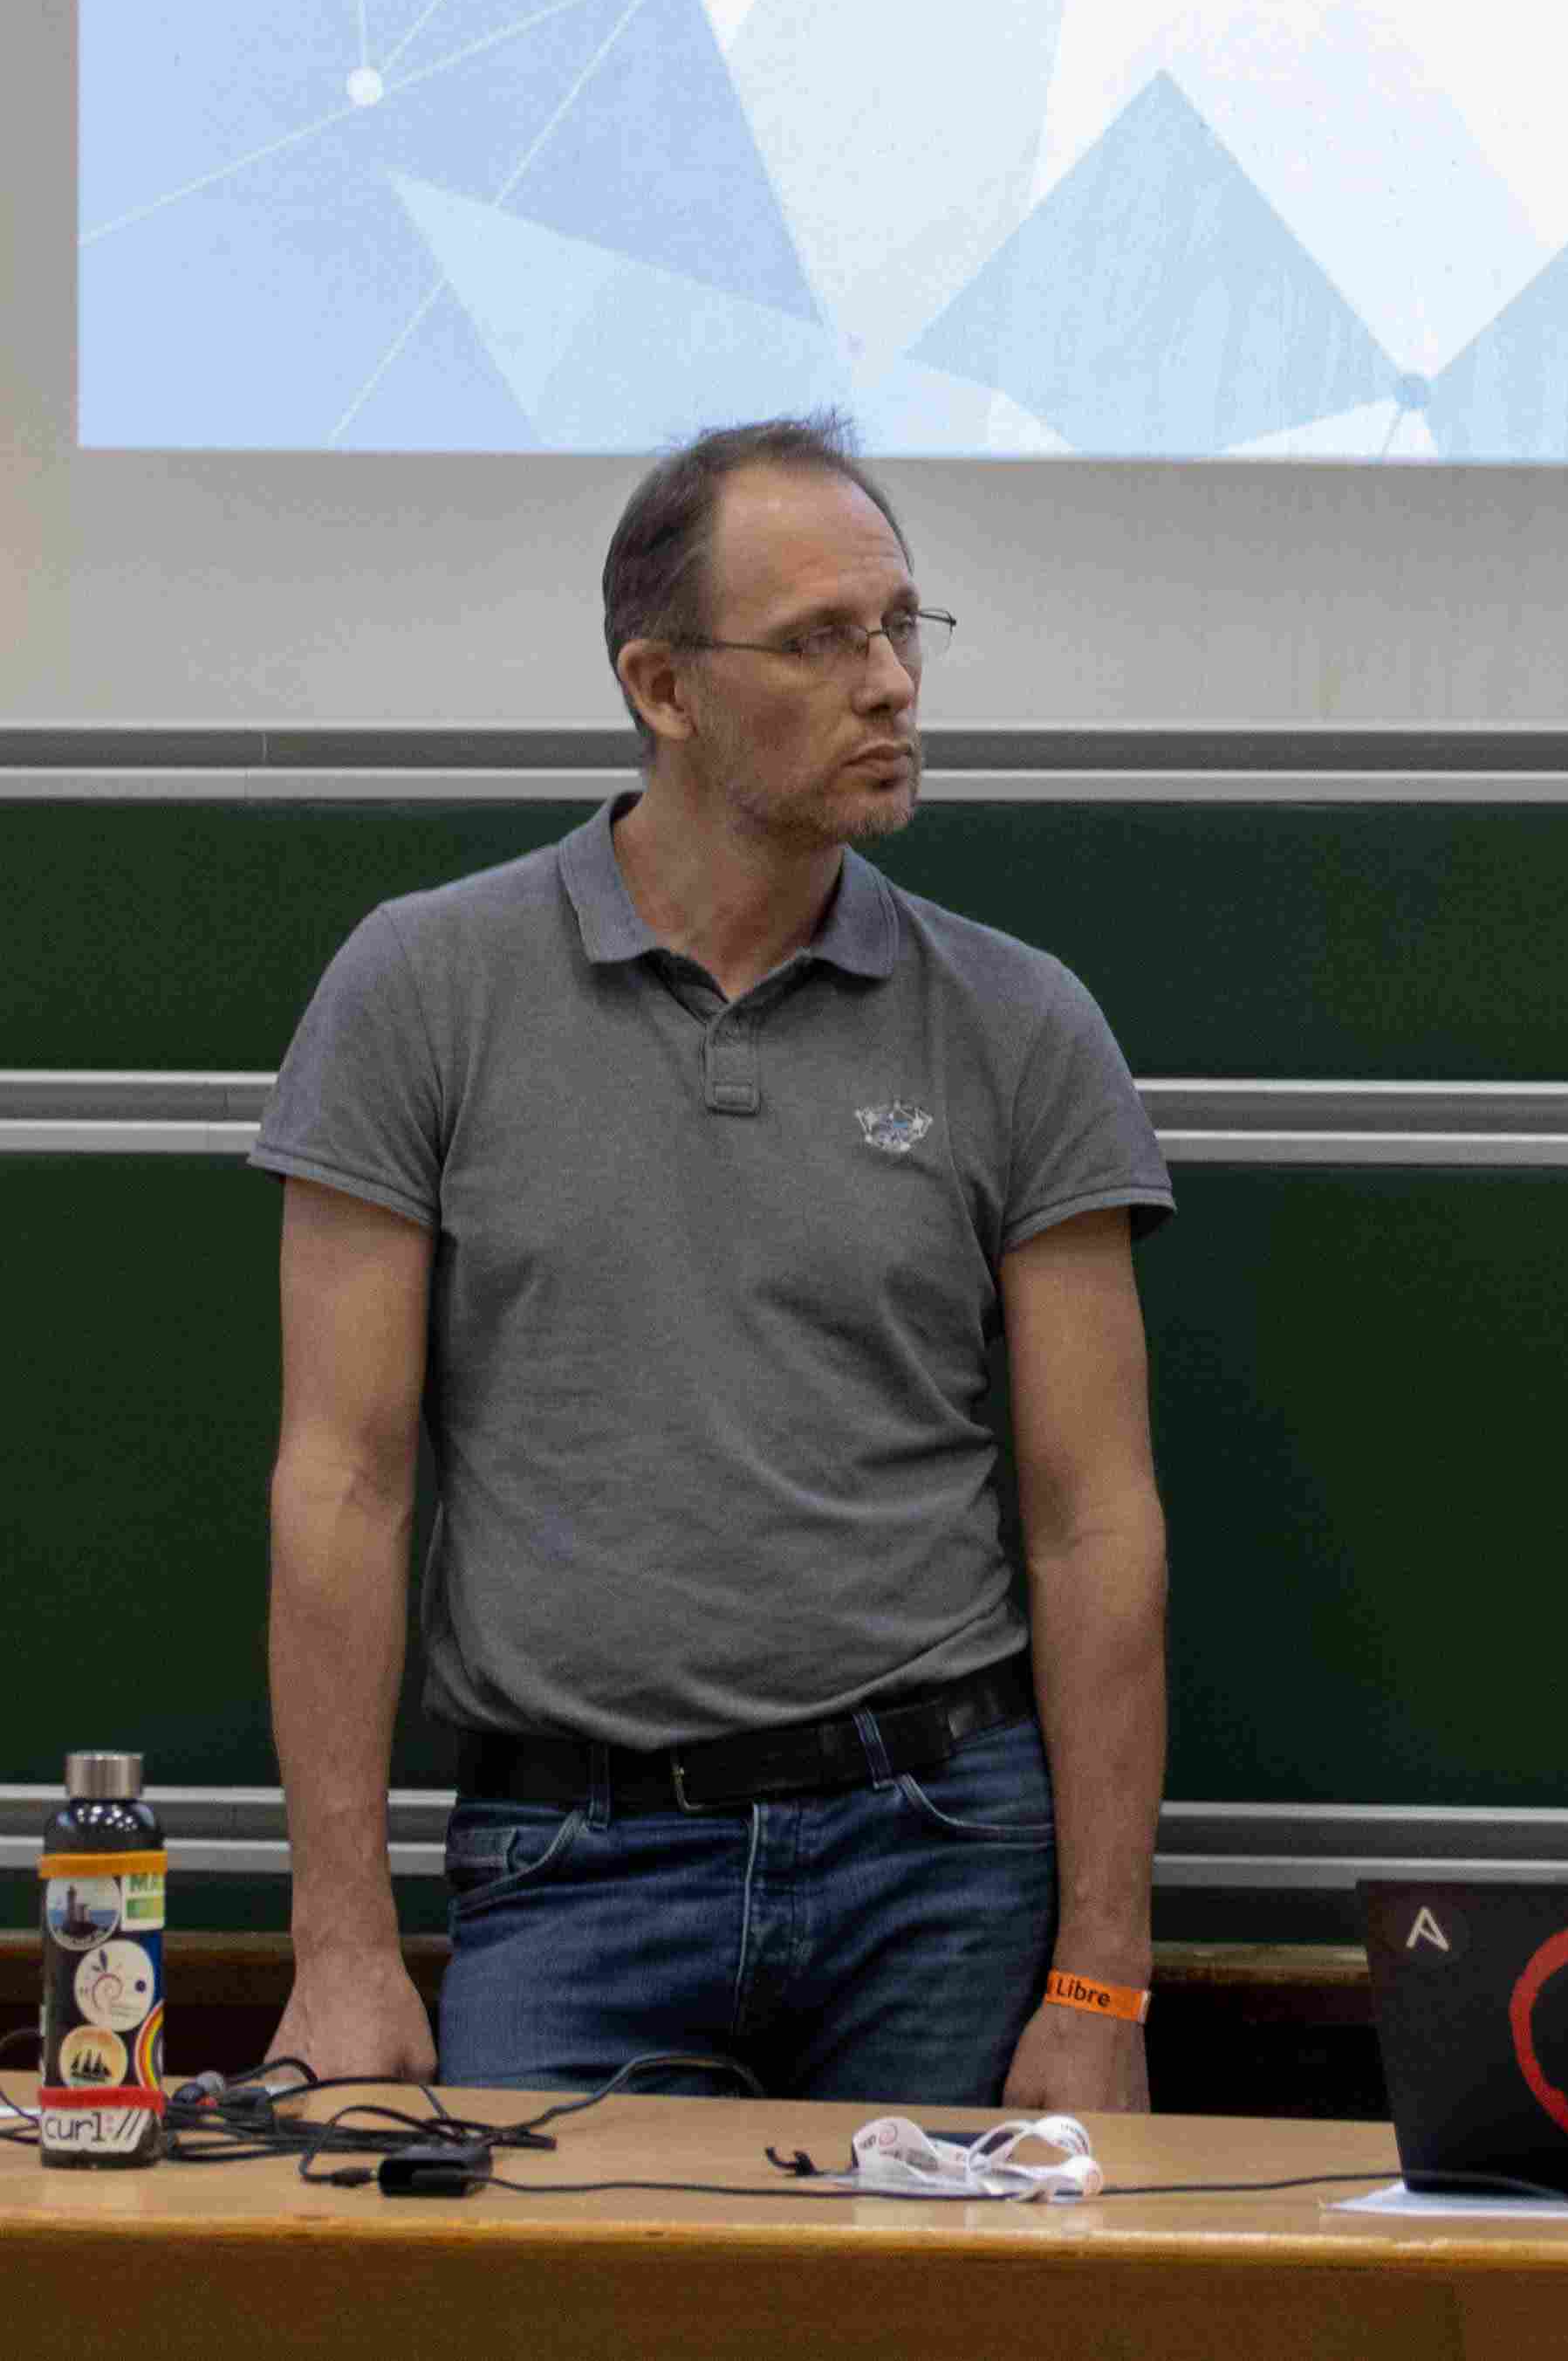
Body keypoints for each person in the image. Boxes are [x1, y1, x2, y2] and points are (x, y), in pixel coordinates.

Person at [253, 415, 1174, 2108]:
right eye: (820, 639)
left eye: (899, 627)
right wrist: (342, 1942)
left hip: (940, 1853)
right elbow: (343, 1480)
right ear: (662, 687)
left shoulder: (1021, 1022)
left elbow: (1094, 1517)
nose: (888, 682)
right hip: (573, 1857)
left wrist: (1101, 1977)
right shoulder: (423, 988)